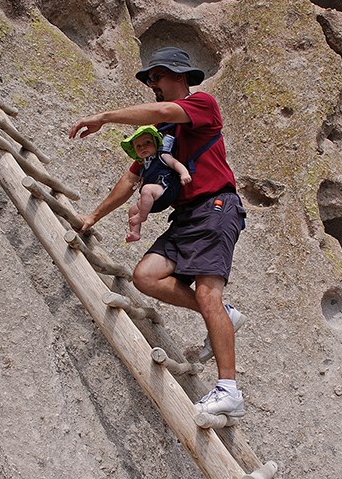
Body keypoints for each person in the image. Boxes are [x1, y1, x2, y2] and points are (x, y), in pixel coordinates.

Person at [68, 46, 247, 418]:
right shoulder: (158, 134)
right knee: (145, 276)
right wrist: (93, 217)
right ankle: (224, 315)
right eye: (149, 79)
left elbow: (165, 110)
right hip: (185, 217)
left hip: (215, 208)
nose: (153, 85)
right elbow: (131, 178)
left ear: (180, 77)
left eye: (158, 77)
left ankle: (229, 390)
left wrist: (105, 116)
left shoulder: (202, 104)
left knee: (207, 293)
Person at [120, 124, 191, 242]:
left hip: (165, 190)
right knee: (132, 210)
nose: (143, 147)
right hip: (153, 200)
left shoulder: (163, 155)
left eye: (147, 143)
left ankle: (142, 216)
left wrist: (184, 173)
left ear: (156, 142)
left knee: (147, 189)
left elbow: (175, 163)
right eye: (138, 146)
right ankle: (135, 233)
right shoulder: (144, 166)